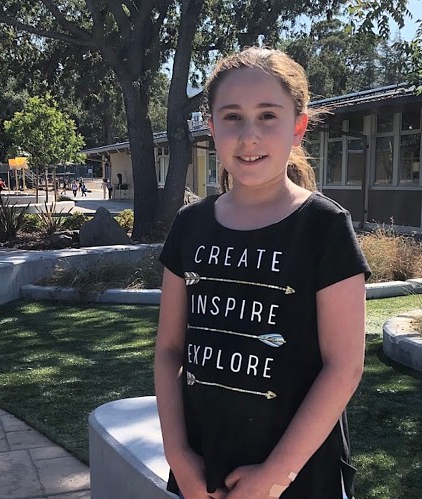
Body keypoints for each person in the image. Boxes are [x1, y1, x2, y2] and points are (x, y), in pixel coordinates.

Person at [154, 47, 370, 499]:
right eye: (232, 117)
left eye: (268, 115)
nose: (249, 135)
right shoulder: (189, 225)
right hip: (202, 469)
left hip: (299, 477)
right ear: (210, 128)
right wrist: (178, 456)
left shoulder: (325, 228)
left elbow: (344, 367)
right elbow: (171, 349)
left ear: (298, 126)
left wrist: (274, 475)